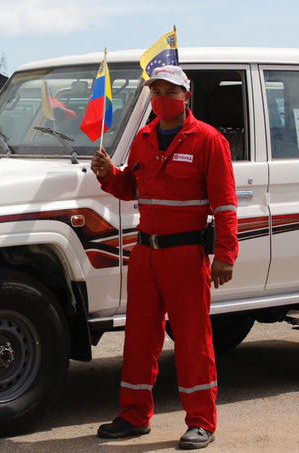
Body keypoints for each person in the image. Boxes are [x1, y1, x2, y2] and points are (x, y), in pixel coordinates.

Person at [91, 65, 238, 450]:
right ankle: (135, 416)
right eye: (155, 90)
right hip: (145, 255)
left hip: (186, 256)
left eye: (169, 91)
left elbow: (225, 206)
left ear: (185, 96)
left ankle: (202, 422)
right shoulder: (143, 137)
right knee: (139, 339)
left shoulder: (207, 140)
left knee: (192, 341)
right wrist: (109, 175)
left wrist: (225, 255)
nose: (161, 97)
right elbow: (130, 187)